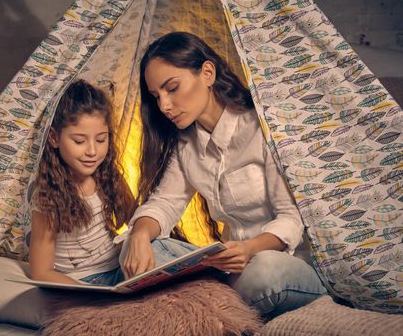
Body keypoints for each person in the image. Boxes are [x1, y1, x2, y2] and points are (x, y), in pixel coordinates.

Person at [119, 32, 327, 317]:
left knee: (263, 273)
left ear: (207, 73)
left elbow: (292, 220)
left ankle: (202, 304)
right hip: (229, 270)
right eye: (157, 96)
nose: (164, 105)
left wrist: (249, 249)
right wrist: (141, 234)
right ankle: (214, 303)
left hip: (285, 267)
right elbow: (165, 203)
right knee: (134, 248)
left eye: (172, 88)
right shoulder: (186, 144)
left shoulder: (262, 128)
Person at [28, 79, 136, 286]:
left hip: (118, 268)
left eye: (101, 139)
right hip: (81, 281)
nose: (92, 151)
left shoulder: (108, 175)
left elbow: (137, 219)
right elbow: (41, 271)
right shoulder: (47, 194)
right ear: (54, 138)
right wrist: (89, 293)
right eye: (79, 141)